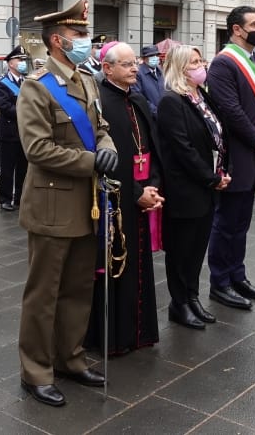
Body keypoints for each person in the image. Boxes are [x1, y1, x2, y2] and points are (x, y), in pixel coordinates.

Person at [17, 0, 116, 407]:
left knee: (78, 289)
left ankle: (70, 358)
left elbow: (102, 127)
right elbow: (37, 149)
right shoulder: (37, 87)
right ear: (58, 40)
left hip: (86, 202)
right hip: (53, 206)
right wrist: (94, 161)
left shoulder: (87, 80)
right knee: (44, 294)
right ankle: (36, 371)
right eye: (79, 35)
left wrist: (108, 147)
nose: (86, 41)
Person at [84, 41, 163, 352]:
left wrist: (153, 185)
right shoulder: (100, 103)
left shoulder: (139, 99)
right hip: (117, 196)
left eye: (135, 64)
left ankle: (139, 333)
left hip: (144, 189)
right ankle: (116, 338)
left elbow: (153, 147)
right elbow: (104, 158)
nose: (135, 68)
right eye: (127, 64)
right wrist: (135, 193)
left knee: (141, 264)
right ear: (108, 68)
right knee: (118, 262)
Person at [204, 5, 255, 311]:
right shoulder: (224, 63)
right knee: (227, 222)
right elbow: (231, 110)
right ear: (237, 29)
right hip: (236, 154)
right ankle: (220, 281)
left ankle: (237, 275)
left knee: (242, 221)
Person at [157, 44, 227, 330]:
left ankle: (192, 297)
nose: (201, 66)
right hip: (185, 188)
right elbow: (183, 149)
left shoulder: (201, 96)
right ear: (179, 68)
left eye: (201, 60)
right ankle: (179, 303)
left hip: (207, 186)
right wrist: (210, 178)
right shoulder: (172, 101)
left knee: (197, 248)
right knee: (181, 250)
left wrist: (222, 170)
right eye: (194, 62)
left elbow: (217, 136)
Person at [0, 45, 29, 212]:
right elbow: (6, 107)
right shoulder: (2, 84)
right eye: (19, 60)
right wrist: (27, 112)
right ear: (10, 63)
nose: (22, 63)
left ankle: (20, 197)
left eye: (23, 60)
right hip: (10, 132)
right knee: (8, 168)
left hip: (25, 132)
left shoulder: (27, 81)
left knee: (23, 168)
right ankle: (5, 199)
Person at [133, 45, 165, 118]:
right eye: (151, 56)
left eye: (156, 55)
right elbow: (139, 97)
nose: (155, 58)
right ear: (144, 59)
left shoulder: (161, 72)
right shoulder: (138, 74)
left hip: (164, 115)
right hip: (150, 117)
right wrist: (156, 112)